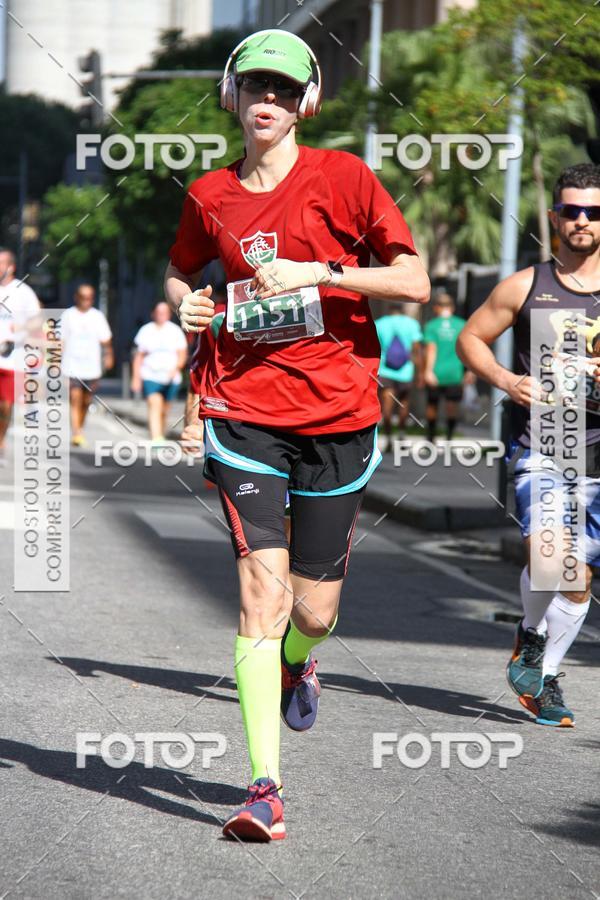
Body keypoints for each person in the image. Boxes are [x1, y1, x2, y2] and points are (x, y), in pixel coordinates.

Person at [164, 28, 429, 842]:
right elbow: (183, 269)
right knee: (261, 599)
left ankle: (298, 662)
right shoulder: (210, 193)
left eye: (283, 90)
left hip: (341, 414)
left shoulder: (345, 178)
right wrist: (188, 302)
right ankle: (264, 790)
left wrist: (323, 272)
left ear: (305, 101)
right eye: (254, 88)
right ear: (231, 97)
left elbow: (414, 280)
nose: (267, 102)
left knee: (314, 611)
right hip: (244, 413)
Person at [457, 162, 600, 728]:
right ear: (555, 217)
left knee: (579, 580)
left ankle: (540, 666)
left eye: (593, 212)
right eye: (571, 211)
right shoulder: (527, 286)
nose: (582, 221)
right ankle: (534, 644)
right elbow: (471, 337)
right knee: (550, 559)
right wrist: (508, 381)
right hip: (544, 443)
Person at [0, 248, 41, 464]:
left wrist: (21, 327)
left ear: (11, 267)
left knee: (5, 405)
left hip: (10, 358)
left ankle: (0, 442)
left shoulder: (23, 292)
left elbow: (37, 320)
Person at [61, 284, 113, 447]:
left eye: (90, 297)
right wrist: (56, 363)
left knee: (86, 400)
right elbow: (60, 341)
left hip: (91, 367)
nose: (86, 301)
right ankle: (76, 432)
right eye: (83, 297)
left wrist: (109, 356)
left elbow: (106, 340)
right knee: (75, 398)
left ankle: (80, 427)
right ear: (76, 297)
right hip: (72, 365)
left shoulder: (97, 316)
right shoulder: (68, 315)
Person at [131, 301, 187, 445]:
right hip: (150, 375)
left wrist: (175, 369)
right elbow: (139, 356)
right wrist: (136, 378)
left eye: (164, 313)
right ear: (153, 314)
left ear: (169, 315)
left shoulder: (175, 331)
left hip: (171, 377)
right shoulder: (146, 331)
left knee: (164, 410)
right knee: (154, 403)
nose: (161, 315)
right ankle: (156, 437)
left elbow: (182, 354)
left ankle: (160, 433)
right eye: (159, 312)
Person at [422, 292, 474, 443]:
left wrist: (427, 371)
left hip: (436, 372)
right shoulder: (462, 324)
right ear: (452, 307)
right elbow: (468, 349)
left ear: (436, 308)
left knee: (432, 405)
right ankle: (449, 437)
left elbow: (431, 349)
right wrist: (470, 370)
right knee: (452, 406)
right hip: (455, 372)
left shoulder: (431, 325)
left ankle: (431, 437)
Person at [375, 302, 423, 451]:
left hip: (385, 370)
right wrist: (420, 371)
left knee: (386, 407)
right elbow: (416, 349)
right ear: (402, 311)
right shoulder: (412, 324)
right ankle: (401, 435)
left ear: (390, 310)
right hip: (405, 371)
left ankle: (389, 439)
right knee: (404, 404)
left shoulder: (379, 323)